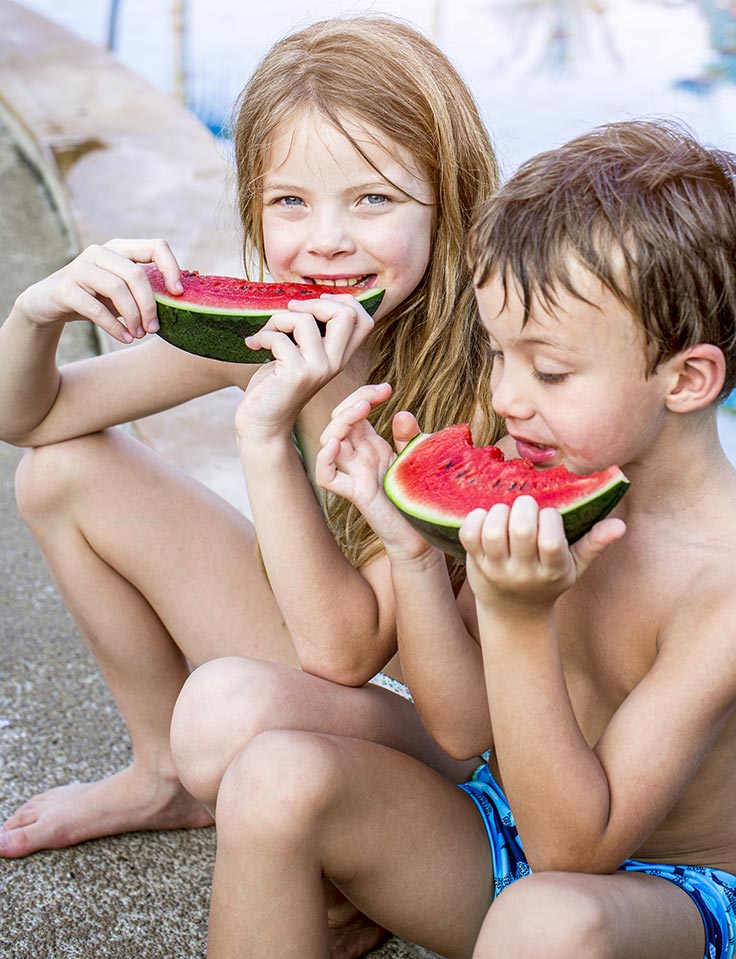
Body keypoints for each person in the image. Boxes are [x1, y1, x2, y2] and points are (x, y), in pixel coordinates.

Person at [191, 117, 736, 959]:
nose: (508, 399)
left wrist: (518, 617)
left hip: (644, 889)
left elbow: (574, 852)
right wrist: (410, 551)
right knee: (270, 775)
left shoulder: (735, 585)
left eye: (548, 370)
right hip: (491, 808)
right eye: (496, 353)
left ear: (687, 378)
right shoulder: (539, 460)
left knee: (542, 921)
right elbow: (460, 728)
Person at [0, 15, 501, 861]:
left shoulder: (480, 389)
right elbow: (31, 418)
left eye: (373, 198)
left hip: (444, 740)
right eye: (290, 202)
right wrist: (35, 311)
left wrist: (267, 439)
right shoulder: (271, 328)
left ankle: (367, 839)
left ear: (448, 202)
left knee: (232, 708)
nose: (327, 240)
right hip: (329, 673)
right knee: (61, 474)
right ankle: (163, 771)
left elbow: (346, 652)